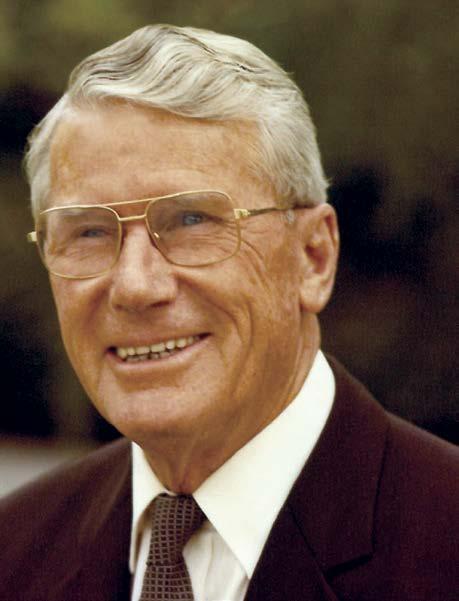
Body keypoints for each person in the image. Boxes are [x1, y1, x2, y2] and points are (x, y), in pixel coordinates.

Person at [0, 24, 457, 601]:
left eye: (192, 221)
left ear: (313, 257)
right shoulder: (15, 552)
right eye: (89, 232)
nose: (135, 286)